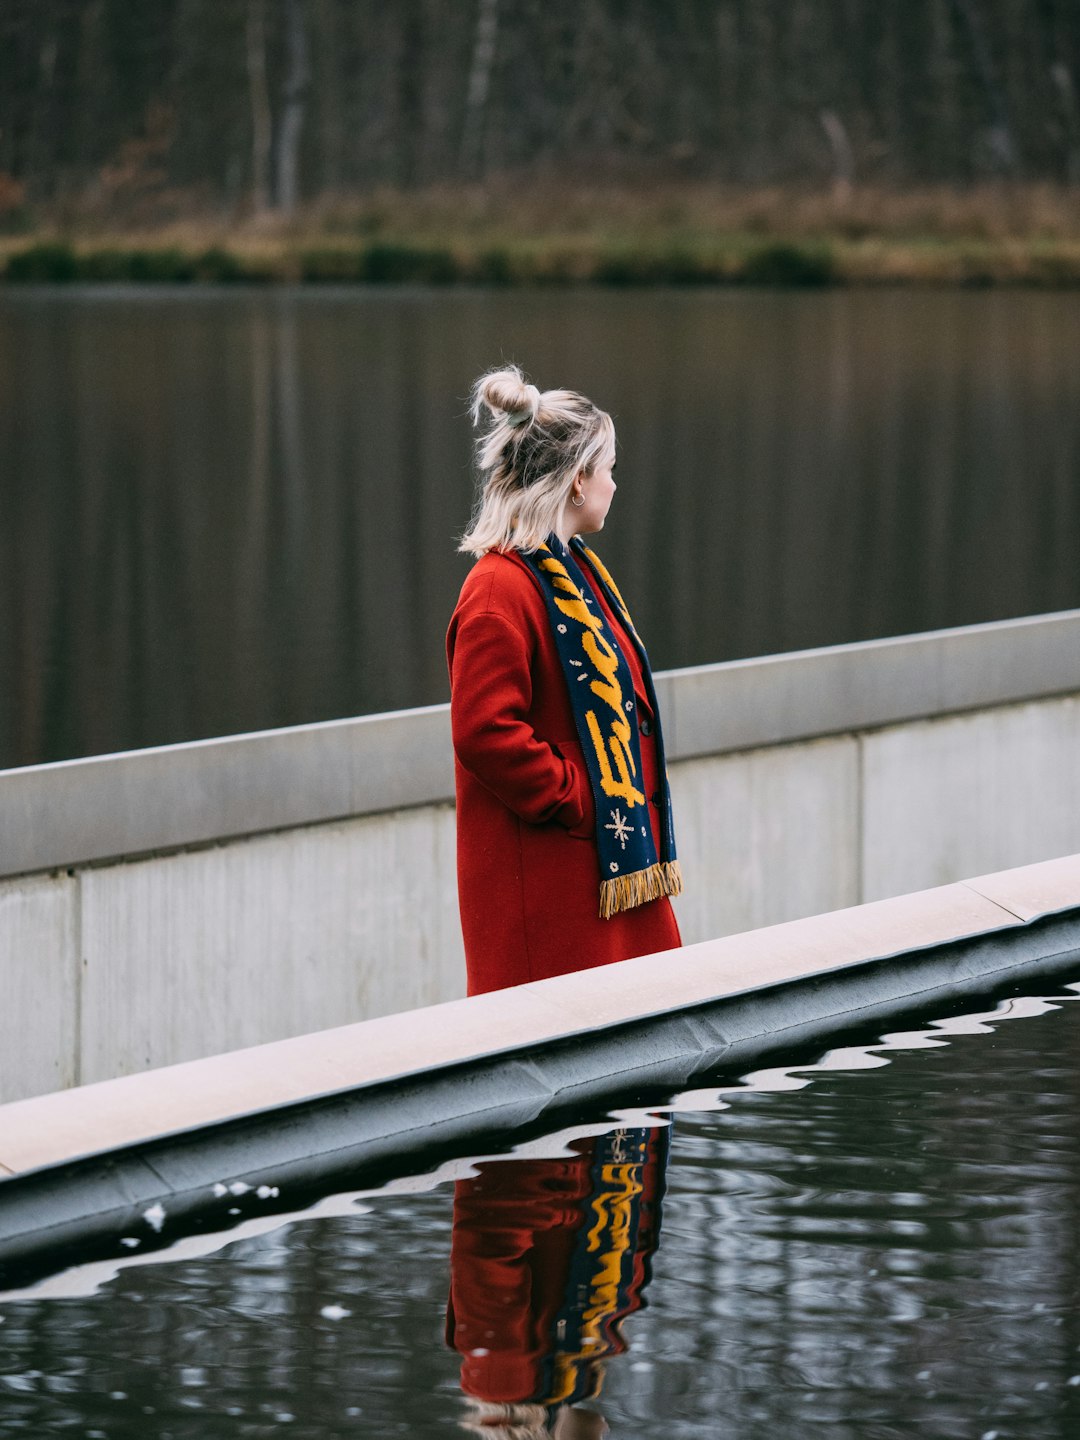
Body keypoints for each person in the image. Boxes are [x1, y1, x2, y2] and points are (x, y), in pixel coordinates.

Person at [446, 365, 682, 995]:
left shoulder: (576, 574)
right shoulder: (498, 588)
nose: (614, 481)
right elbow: (484, 733)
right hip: (551, 894)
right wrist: (579, 797)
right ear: (578, 481)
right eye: (607, 466)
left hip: (605, 875)